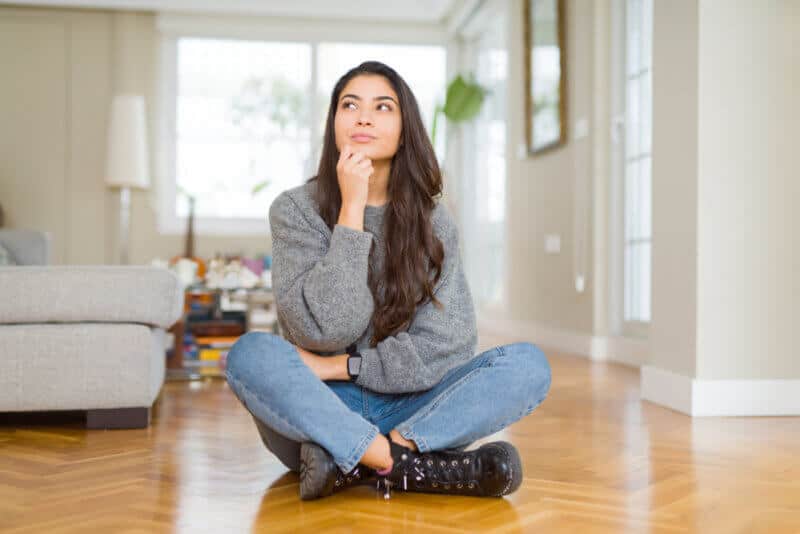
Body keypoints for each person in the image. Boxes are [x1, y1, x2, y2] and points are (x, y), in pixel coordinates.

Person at [225, 61, 551, 500]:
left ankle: (354, 463)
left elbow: (448, 344)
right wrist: (351, 210)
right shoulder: (294, 211)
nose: (363, 116)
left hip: (413, 408)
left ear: (404, 129)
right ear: (334, 123)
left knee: (528, 366)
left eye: (382, 106)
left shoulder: (435, 222)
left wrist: (343, 366)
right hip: (320, 407)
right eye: (350, 105)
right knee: (249, 354)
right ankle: (407, 467)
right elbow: (326, 329)